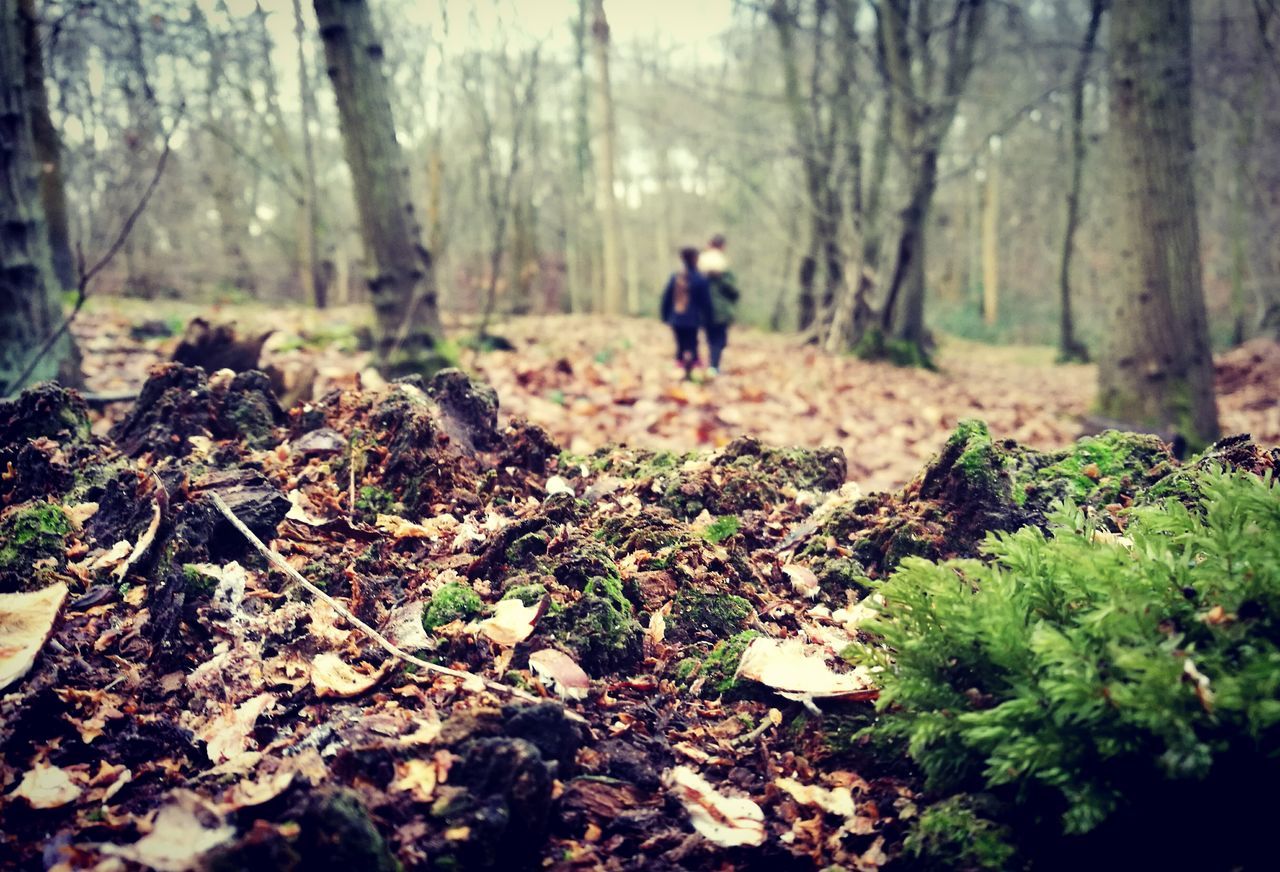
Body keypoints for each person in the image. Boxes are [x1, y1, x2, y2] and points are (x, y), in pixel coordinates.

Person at [661, 247, 711, 380]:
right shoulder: (700, 279)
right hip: (692, 320)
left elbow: (666, 298)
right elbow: (706, 301)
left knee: (681, 345)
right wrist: (708, 318)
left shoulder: (676, 277)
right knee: (693, 345)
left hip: (676, 318)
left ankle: (680, 371)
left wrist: (666, 316)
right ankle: (692, 374)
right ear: (695, 259)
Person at [696, 234, 740, 376]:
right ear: (722, 247)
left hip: (704, 310)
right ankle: (713, 366)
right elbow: (733, 291)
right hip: (721, 312)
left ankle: (710, 366)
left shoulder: (700, 267)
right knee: (718, 339)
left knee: (710, 338)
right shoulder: (724, 269)